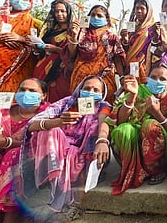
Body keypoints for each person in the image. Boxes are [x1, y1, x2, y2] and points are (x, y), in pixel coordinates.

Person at [18, 75, 111, 220]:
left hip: (82, 154)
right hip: (57, 151)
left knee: (95, 129)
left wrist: (102, 140)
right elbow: (32, 124)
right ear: (80, 90)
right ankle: (54, 175)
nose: (90, 91)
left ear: (102, 93)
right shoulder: (67, 103)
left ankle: (63, 182)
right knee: (50, 130)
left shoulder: (103, 107)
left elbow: (103, 123)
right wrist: (58, 122)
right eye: (87, 88)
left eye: (95, 89)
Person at [0, 78, 49, 223]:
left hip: (29, 160)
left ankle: (6, 217)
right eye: (22, 90)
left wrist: (5, 141)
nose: (26, 93)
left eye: (32, 91)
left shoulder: (47, 114)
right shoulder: (2, 110)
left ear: (44, 96)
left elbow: (36, 145)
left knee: (13, 156)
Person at [111, 63, 167, 194]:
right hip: (136, 143)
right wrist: (132, 97)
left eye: (162, 79)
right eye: (153, 77)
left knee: (149, 125)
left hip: (163, 147)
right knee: (123, 130)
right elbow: (119, 121)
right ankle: (131, 169)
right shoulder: (138, 91)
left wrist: (157, 114)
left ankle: (155, 169)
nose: (157, 81)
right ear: (147, 78)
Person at [65, 4, 126, 103]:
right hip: (81, 78)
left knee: (103, 108)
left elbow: (117, 59)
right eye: (92, 15)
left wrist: (122, 77)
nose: (95, 18)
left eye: (99, 16)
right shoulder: (80, 33)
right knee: (81, 109)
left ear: (106, 19)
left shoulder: (112, 38)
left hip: (104, 78)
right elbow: (72, 54)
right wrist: (74, 36)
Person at [33, 0, 74, 102]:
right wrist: (37, 47)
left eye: (62, 11)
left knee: (57, 96)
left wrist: (56, 49)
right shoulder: (51, 29)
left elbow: (75, 53)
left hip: (61, 69)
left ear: (68, 12)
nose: (59, 14)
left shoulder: (74, 31)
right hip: (42, 66)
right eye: (56, 11)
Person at [120, 0, 155, 83]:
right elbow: (127, 49)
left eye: (142, 8)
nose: (139, 11)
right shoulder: (132, 28)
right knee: (130, 91)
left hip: (144, 66)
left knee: (143, 93)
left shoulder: (153, 29)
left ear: (148, 11)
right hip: (130, 65)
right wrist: (124, 40)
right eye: (137, 8)